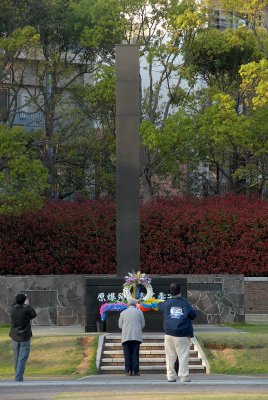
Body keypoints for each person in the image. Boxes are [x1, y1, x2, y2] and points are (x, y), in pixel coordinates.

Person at [157, 282, 197, 384]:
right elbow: (193, 315)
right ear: (180, 291)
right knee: (183, 356)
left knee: (170, 356)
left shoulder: (166, 303)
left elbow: (159, 307)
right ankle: (183, 376)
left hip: (169, 333)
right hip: (182, 333)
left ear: (169, 292)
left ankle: (170, 376)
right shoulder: (185, 303)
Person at [9, 292, 37, 381]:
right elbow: (34, 314)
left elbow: (15, 304)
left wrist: (21, 299)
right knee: (22, 358)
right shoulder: (26, 310)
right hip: (24, 337)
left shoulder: (12, 310)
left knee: (16, 358)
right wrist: (27, 305)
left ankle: (18, 377)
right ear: (24, 301)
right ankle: (18, 378)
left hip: (15, 336)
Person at [118, 298, 145, 376]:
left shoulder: (123, 313)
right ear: (135, 304)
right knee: (135, 353)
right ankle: (136, 371)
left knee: (127, 354)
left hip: (126, 336)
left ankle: (128, 371)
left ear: (128, 304)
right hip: (136, 336)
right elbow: (143, 324)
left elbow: (120, 326)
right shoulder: (139, 312)